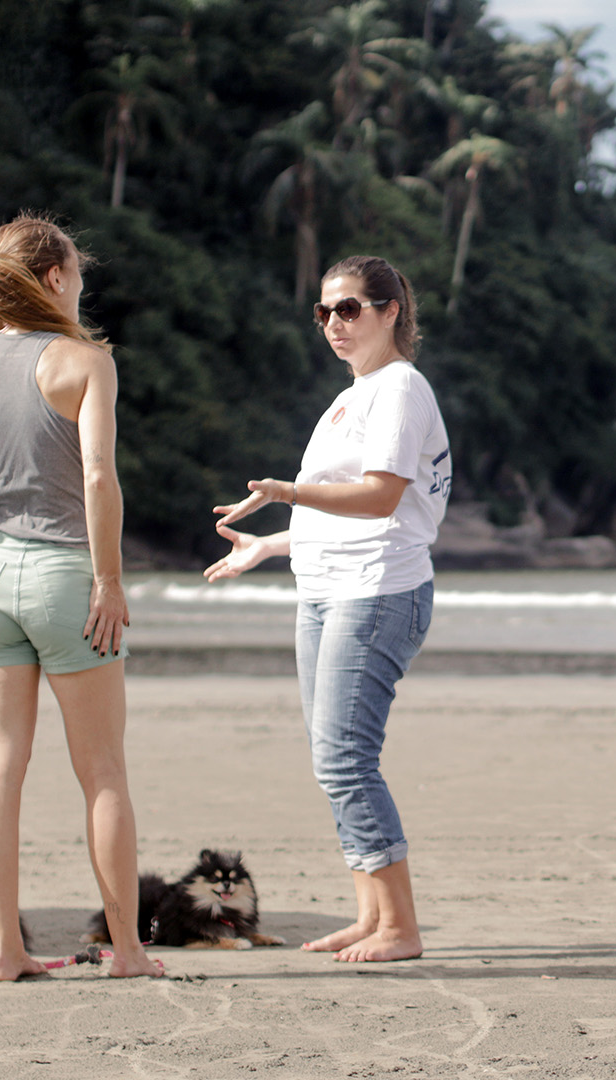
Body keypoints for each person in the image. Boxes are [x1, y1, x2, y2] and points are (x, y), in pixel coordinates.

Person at [0, 214, 159, 981]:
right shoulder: (84, 363)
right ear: (53, 279)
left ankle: (7, 952)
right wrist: (109, 582)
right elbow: (96, 478)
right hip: (64, 577)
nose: (82, 284)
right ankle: (126, 954)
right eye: (77, 272)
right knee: (104, 773)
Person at [205, 255, 449, 963]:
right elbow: (352, 514)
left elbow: (380, 498)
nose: (333, 324)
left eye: (348, 309)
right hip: (330, 589)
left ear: (390, 310)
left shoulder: (399, 389)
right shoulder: (357, 393)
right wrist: (271, 547)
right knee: (332, 759)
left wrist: (285, 491)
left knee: (346, 759)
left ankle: (400, 927)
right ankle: (371, 917)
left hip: (377, 593)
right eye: (323, 311)